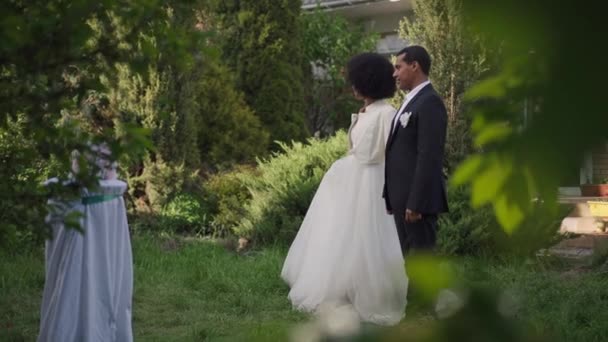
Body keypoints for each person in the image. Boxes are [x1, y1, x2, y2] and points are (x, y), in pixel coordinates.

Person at [281, 52, 408, 325]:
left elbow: (392, 153)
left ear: (368, 82)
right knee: (342, 236)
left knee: (369, 237)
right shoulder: (366, 112)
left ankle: (370, 291)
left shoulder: (387, 113)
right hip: (349, 182)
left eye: (356, 81)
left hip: (373, 183)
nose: (353, 86)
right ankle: (342, 288)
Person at [38, 143, 133, 342]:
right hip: (82, 210)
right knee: (74, 276)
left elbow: (105, 178)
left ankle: (89, 326)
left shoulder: (105, 193)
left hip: (91, 209)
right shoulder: (97, 194)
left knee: (90, 275)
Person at [384, 45, 449, 256]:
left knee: (421, 263)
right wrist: (390, 195)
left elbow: (429, 156)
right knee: (409, 262)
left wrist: (416, 203)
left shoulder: (430, 102)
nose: (394, 73)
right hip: (402, 198)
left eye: (398, 67)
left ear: (414, 66)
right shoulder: (411, 101)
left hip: (416, 203)